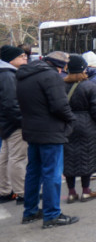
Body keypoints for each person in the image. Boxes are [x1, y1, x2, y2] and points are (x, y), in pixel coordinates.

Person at [16, 51, 80, 228]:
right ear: (60, 66)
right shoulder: (51, 76)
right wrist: (71, 119)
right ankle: (52, 214)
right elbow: (59, 105)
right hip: (50, 131)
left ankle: (30, 211)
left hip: (31, 129)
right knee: (52, 173)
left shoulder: (24, 75)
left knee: (33, 172)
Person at [62, 55, 96, 204]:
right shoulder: (89, 86)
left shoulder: (61, 85)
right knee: (86, 158)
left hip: (67, 125)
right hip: (88, 125)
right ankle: (86, 191)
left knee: (69, 159)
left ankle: (71, 192)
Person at [0, 46, 27, 204]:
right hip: (13, 123)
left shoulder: (4, 74)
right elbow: (11, 104)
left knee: (5, 157)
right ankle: (22, 192)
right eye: (22, 56)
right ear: (11, 59)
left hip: (5, 122)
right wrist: (22, 121)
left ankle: (5, 190)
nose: (25, 58)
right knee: (17, 158)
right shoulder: (8, 75)